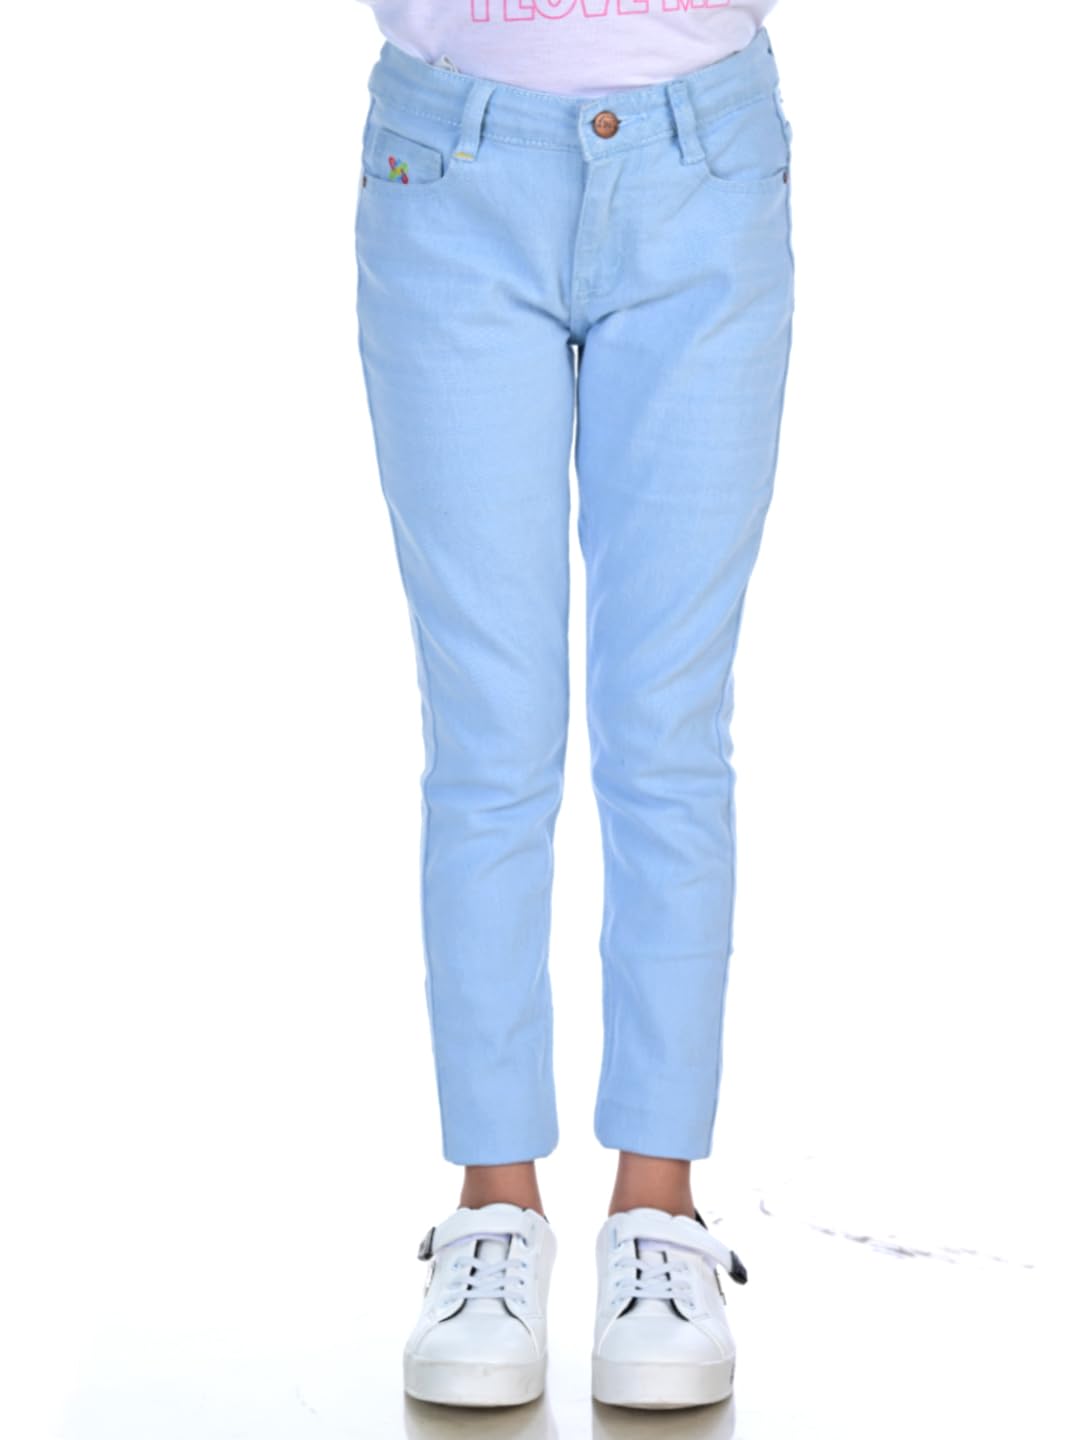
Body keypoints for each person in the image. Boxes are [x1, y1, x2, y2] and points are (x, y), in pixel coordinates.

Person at [352, 0, 792, 1411]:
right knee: (489, 739)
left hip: (701, 162)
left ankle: (658, 1212)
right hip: (451, 164)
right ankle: (494, 1211)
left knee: (667, 732)